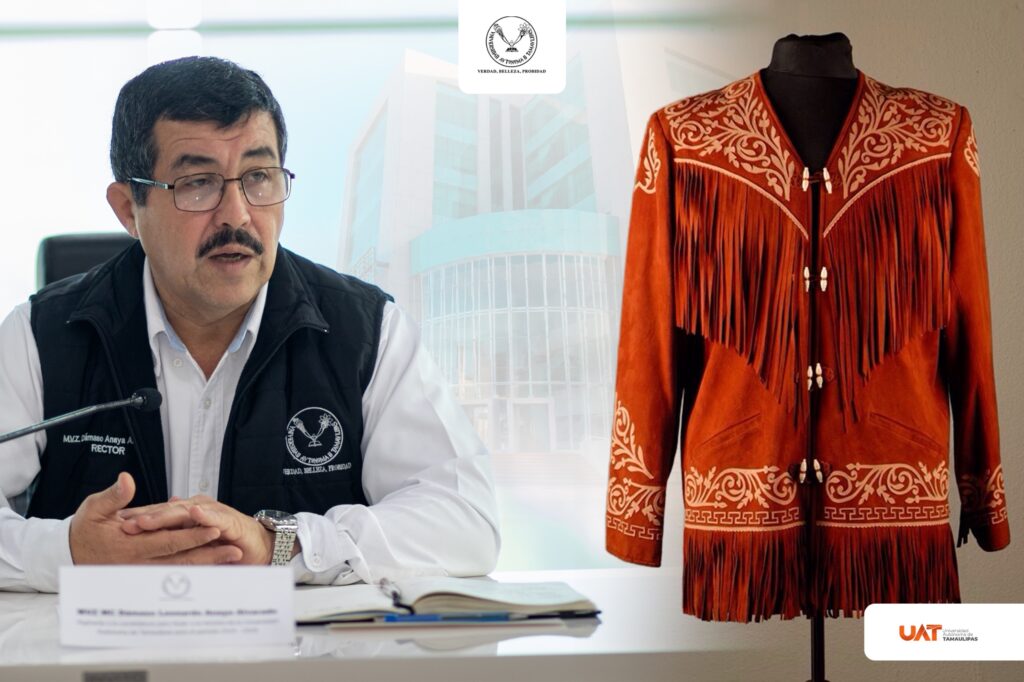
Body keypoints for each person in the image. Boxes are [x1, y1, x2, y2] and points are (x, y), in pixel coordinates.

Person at [0, 56, 500, 591]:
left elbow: (465, 520)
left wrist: (282, 545)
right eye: (198, 183)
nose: (237, 215)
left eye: (258, 177)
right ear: (128, 209)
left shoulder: (367, 332)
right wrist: (70, 552)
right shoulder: (40, 335)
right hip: (100, 646)